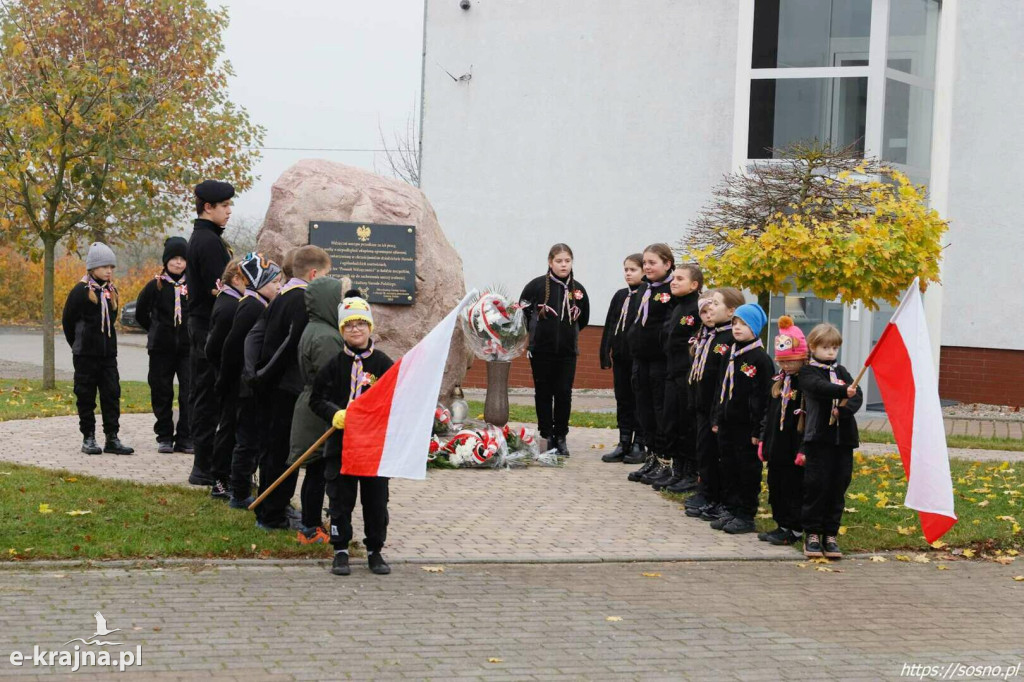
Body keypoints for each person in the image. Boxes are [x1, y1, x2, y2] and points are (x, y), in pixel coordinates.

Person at [309, 291, 396, 576]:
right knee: (340, 500)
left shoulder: (383, 364)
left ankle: (375, 551)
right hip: (340, 446)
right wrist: (334, 412)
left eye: (360, 323)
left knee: (375, 501)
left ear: (370, 327)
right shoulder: (333, 365)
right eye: (348, 325)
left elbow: (395, 399)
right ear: (341, 330)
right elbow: (316, 399)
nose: (355, 329)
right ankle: (341, 550)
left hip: (372, 449)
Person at [254, 245, 332, 533]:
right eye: (325, 275)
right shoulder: (301, 299)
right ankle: (272, 513)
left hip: (275, 384)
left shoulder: (284, 293)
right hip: (287, 387)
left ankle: (275, 505)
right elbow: (292, 346)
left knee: (276, 450)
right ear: (313, 274)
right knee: (283, 453)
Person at [217, 253, 283, 516]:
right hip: (246, 386)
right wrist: (231, 381)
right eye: (275, 281)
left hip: (250, 385)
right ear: (260, 282)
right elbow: (232, 347)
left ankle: (241, 486)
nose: (279, 287)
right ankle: (239, 491)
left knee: (251, 439)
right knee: (246, 440)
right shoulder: (252, 306)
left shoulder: (260, 304)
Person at [61, 242, 134, 455]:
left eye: (111, 267)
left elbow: (111, 320)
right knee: (86, 395)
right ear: (92, 268)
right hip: (85, 355)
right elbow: (68, 322)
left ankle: (112, 438)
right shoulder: (80, 291)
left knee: (111, 395)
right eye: (104, 267)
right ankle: (89, 438)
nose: (109, 271)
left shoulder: (112, 291)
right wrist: (78, 345)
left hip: (108, 356)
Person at [519, 243, 590, 457]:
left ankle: (561, 436)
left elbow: (584, 318)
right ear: (550, 262)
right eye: (559, 261)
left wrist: (568, 332)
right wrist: (537, 328)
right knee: (543, 392)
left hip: (567, 352)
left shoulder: (578, 290)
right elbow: (521, 311)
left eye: (567, 261)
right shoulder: (537, 286)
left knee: (563, 394)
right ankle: (546, 435)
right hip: (541, 350)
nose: (563, 265)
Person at [289, 276, 345, 544]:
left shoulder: (318, 328)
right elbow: (331, 377)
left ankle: (310, 523)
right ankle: (310, 527)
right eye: (338, 298)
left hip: (312, 403)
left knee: (316, 470)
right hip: (319, 410)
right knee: (317, 471)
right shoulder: (326, 337)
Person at [186, 180, 234, 486]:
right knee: (207, 396)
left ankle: (207, 464)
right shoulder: (207, 241)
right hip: (207, 328)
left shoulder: (210, 238)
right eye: (225, 206)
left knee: (207, 394)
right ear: (208, 208)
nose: (229, 211)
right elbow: (222, 288)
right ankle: (203, 466)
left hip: (205, 326)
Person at [799, 323, 862, 559]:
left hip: (843, 440)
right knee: (817, 485)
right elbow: (818, 388)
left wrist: (844, 410)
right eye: (825, 347)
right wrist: (842, 392)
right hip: (819, 438)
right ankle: (813, 534)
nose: (830, 353)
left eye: (834, 348)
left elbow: (857, 395)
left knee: (838, 485)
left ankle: (830, 534)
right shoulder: (808, 372)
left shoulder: (842, 371)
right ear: (813, 347)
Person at [709, 303, 773, 534]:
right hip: (727, 422)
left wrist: (759, 430)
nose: (737, 328)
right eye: (735, 323)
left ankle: (746, 514)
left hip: (747, 428)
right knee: (728, 466)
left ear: (755, 328)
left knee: (746, 470)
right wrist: (716, 417)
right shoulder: (730, 353)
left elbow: (764, 397)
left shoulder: (760, 359)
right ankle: (730, 507)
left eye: (743, 324)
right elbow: (721, 388)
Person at [684, 287, 745, 519]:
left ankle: (715, 495)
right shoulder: (710, 334)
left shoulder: (729, 338)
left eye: (716, 303)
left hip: (715, 407)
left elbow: (722, 378)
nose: (710, 307)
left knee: (714, 452)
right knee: (704, 450)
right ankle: (706, 491)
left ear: (732, 311)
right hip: (701, 404)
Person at [135, 237, 191, 454]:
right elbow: (141, 313)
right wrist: (155, 329)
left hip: (187, 349)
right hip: (161, 349)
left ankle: (185, 437)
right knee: (161, 391)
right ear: (166, 260)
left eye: (182, 259)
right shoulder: (155, 286)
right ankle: (164, 435)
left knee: (188, 392)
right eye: (174, 258)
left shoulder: (192, 286)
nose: (178, 263)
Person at [758, 316, 809, 546]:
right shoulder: (778, 382)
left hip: (793, 447)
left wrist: (804, 449)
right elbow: (768, 414)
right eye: (783, 362)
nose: (787, 366)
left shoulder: (805, 384)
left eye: (792, 361)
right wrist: (763, 440)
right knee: (776, 487)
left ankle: (795, 528)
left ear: (803, 358)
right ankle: (781, 524)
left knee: (792, 488)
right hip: (776, 446)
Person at [652, 263, 703, 492]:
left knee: (686, 423)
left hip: (687, 375)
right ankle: (678, 470)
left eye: (680, 279)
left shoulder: (697, 308)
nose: (673, 282)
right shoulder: (677, 307)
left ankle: (690, 473)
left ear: (694, 285)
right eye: (673, 278)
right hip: (672, 372)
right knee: (671, 421)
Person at [626, 243, 675, 484]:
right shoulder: (644, 288)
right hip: (640, 359)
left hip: (660, 361)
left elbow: (668, 327)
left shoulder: (673, 289)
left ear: (667, 264)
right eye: (645, 262)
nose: (647, 266)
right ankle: (652, 456)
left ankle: (666, 461)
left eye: (652, 262)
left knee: (659, 410)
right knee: (643, 410)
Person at [204, 258, 246, 505]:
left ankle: (229, 474)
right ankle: (220, 480)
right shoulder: (230, 306)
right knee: (228, 428)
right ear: (236, 279)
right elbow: (214, 346)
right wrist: (223, 372)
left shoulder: (232, 301)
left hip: (229, 375)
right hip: (227, 377)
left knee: (231, 426)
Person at [599, 254, 645, 463]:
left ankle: (639, 442)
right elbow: (610, 324)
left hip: (638, 358)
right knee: (623, 399)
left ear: (644, 271)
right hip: (621, 357)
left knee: (638, 400)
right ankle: (623, 440)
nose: (628, 273)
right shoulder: (620, 295)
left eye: (633, 269)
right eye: (626, 269)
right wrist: (605, 352)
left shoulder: (646, 294)